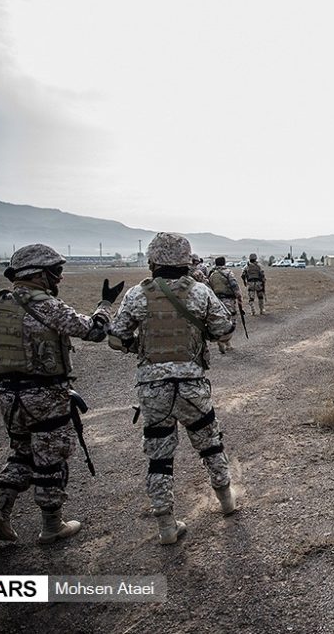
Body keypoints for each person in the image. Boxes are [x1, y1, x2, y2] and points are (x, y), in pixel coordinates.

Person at [0, 244, 123, 544]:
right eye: (56, 272)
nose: (60, 279)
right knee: (51, 458)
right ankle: (52, 525)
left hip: (8, 396)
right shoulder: (48, 306)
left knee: (21, 451)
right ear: (39, 275)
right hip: (46, 396)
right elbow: (93, 331)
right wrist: (105, 304)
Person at [107, 232, 237, 545]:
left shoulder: (137, 295)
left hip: (153, 388)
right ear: (186, 261)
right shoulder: (201, 292)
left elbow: (115, 338)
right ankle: (227, 502)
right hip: (192, 385)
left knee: (159, 457)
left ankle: (166, 525)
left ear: (152, 261)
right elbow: (224, 330)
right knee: (210, 443)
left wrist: (138, 347)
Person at [208, 256, 243, 353]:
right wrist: (239, 297)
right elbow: (234, 285)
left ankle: (224, 342)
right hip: (228, 300)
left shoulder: (211, 274)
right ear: (224, 263)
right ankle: (225, 342)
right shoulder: (228, 273)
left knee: (220, 321)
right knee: (231, 321)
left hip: (215, 300)